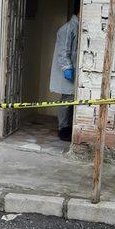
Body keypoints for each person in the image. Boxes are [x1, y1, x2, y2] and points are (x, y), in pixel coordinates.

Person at [49, 11, 79, 142]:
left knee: (71, 99)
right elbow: (63, 51)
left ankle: (68, 126)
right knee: (67, 99)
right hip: (68, 70)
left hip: (75, 69)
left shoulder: (76, 27)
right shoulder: (68, 28)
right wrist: (67, 68)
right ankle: (63, 128)